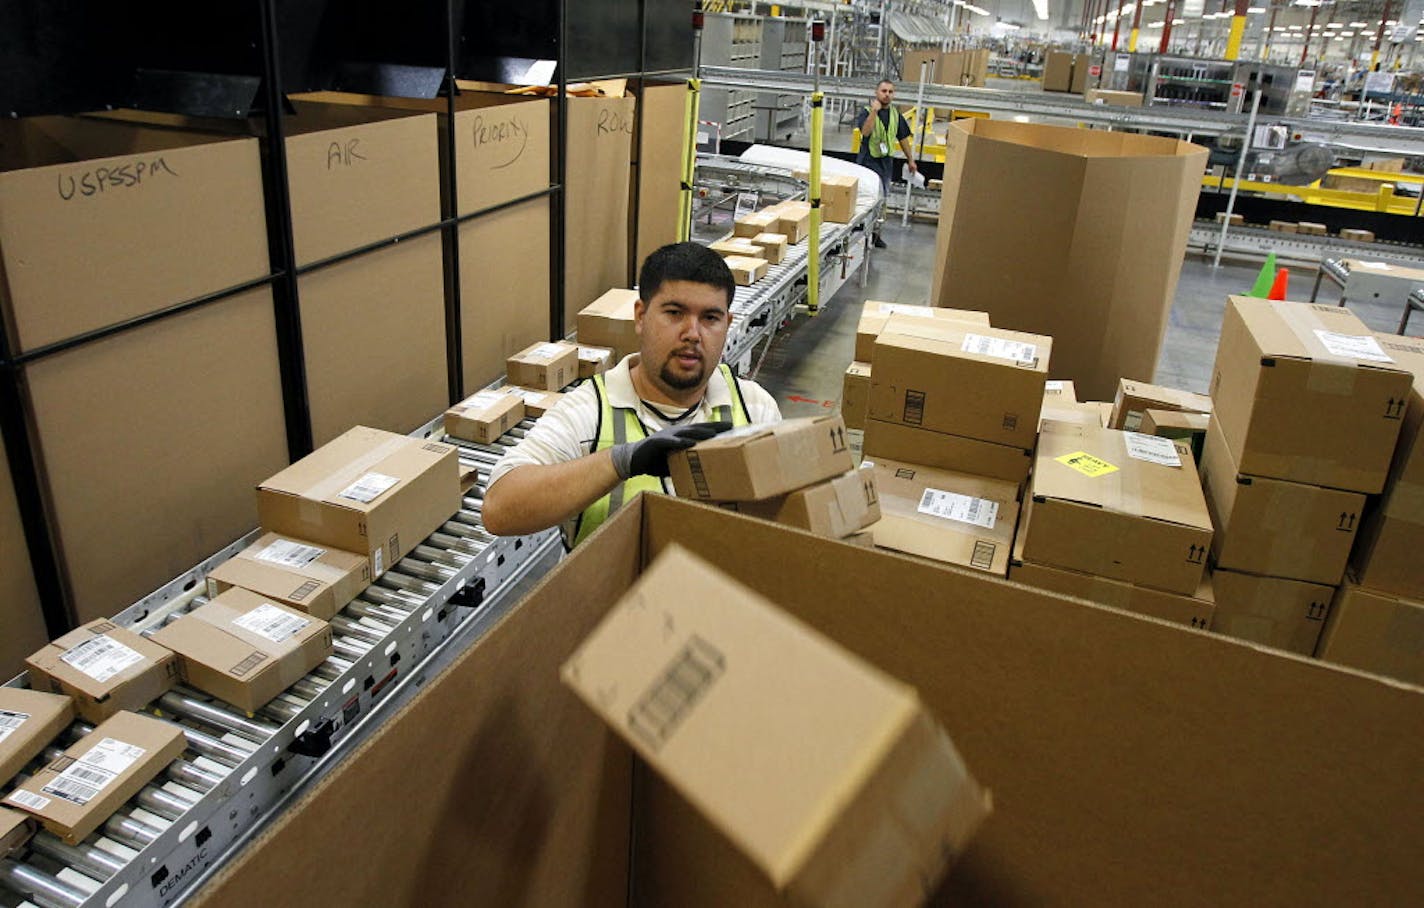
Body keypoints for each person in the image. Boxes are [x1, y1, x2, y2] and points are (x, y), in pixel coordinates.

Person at [481, 242, 782, 547]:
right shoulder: (589, 412)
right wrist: (620, 462)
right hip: (613, 595)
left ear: (727, 324)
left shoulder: (755, 408)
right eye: (675, 313)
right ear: (640, 316)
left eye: (710, 318)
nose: (692, 333)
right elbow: (499, 509)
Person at [856, 79, 919, 249]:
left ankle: (876, 235)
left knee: (883, 199)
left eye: (890, 92)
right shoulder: (867, 112)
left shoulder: (895, 115)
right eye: (884, 91)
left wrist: (910, 160)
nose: (887, 94)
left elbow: (903, 138)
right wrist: (874, 112)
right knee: (866, 198)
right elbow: (865, 132)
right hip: (868, 161)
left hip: (886, 164)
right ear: (877, 93)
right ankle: (861, 234)